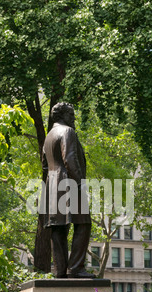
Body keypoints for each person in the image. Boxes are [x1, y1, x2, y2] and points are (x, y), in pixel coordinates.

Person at [42, 102, 95, 279]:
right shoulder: (67, 131)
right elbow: (70, 159)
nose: (73, 117)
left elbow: (44, 166)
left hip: (52, 184)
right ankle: (76, 268)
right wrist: (80, 183)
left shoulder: (49, 136)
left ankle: (59, 270)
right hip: (68, 181)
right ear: (62, 115)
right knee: (83, 223)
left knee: (58, 227)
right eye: (71, 114)